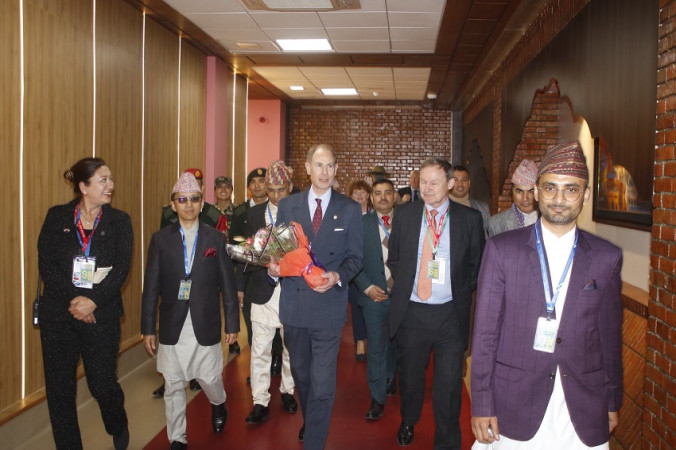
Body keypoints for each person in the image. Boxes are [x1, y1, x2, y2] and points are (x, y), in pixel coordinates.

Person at [471, 141, 623, 449]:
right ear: (537, 192)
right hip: (516, 398)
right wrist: (483, 402)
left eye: (571, 190)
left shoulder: (606, 256)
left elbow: (608, 337)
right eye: (551, 188)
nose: (559, 199)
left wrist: (611, 400)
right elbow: (486, 333)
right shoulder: (503, 250)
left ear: (586, 195)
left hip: (582, 401)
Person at [268, 144, 364, 449]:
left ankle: (314, 442)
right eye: (319, 165)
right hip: (295, 308)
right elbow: (280, 252)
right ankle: (313, 422)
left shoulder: (349, 209)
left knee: (323, 383)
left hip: (328, 308)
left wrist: (336, 276)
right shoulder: (288, 206)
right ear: (308, 168)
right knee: (302, 375)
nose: (325, 172)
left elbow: (356, 258)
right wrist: (273, 268)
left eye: (330, 166)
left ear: (336, 169)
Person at [388, 157, 485, 449]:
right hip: (413, 311)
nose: (427, 188)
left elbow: (477, 264)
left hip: (450, 315)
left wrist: (457, 291)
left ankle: (447, 440)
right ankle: (409, 419)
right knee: (410, 377)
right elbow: (395, 258)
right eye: (423, 182)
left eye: (435, 182)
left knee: (449, 383)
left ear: (450, 184)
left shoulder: (469, 219)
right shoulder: (404, 214)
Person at [38, 157, 132, 450]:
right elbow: (47, 266)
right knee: (60, 392)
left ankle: (117, 421)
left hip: (101, 314)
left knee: (102, 384)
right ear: (83, 186)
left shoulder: (119, 221)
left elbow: (121, 270)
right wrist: (75, 301)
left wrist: (92, 301)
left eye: (110, 179)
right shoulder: (57, 217)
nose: (110, 185)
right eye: (103, 180)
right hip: (59, 316)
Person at [141, 172, 239, 450]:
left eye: (194, 199)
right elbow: (151, 287)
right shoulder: (160, 240)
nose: (188, 205)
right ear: (173, 205)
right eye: (182, 200)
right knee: (173, 384)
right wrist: (147, 328)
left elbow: (228, 285)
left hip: (205, 321)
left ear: (201, 203)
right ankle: (177, 438)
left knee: (210, 379)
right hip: (172, 323)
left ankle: (219, 403)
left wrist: (232, 324)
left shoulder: (215, 239)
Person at [239, 160, 299, 425]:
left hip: (292, 291)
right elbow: (246, 253)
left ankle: (288, 391)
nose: (275, 195)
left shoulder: (300, 212)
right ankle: (259, 401)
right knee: (260, 349)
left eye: (280, 190)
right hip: (262, 289)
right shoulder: (253, 214)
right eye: (271, 190)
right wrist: (241, 287)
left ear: (290, 187)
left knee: (290, 348)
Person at [353, 178, 398, 421]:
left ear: (394, 196)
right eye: (378, 193)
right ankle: (377, 398)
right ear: (371, 198)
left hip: (403, 298)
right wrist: (367, 287)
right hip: (373, 298)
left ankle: (391, 377)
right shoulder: (361, 224)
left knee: (396, 344)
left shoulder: (408, 222)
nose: (383, 197)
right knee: (377, 347)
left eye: (387, 192)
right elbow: (352, 259)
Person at [229, 168, 268, 356]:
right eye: (253, 182)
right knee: (252, 320)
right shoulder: (240, 212)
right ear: (248, 187)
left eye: (262, 181)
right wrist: (239, 285)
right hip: (249, 274)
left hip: (272, 274)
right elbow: (236, 249)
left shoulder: (276, 209)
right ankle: (256, 359)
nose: (258, 185)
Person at [346, 179, 372, 360]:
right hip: (353, 268)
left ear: (368, 195)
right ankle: (360, 341)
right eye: (356, 192)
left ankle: (373, 339)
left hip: (372, 267)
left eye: (363, 191)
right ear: (351, 196)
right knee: (356, 305)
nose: (360, 195)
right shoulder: (346, 215)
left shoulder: (375, 215)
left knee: (372, 306)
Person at [160, 168, 225, 233]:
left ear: (202, 189)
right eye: (182, 199)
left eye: (195, 186)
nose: (189, 204)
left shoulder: (214, 215)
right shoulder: (168, 214)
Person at [486, 159, 538, 236]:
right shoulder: (497, 224)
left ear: (539, 192)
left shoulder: (551, 219)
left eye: (531, 191)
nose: (525, 198)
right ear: (512, 192)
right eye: (519, 191)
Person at [449, 165, 490, 230]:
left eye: (464, 180)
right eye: (456, 180)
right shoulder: (441, 208)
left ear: (469, 183)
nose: (460, 184)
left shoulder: (483, 208)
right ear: (449, 183)